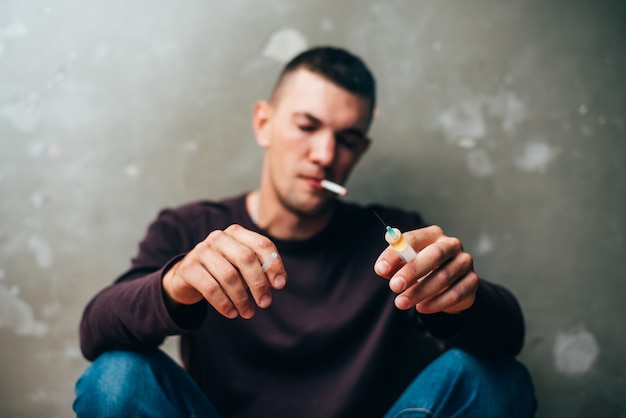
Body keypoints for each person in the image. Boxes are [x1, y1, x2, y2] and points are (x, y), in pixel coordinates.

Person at [73, 46, 536, 418]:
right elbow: (96, 330)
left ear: (361, 150)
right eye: (306, 126)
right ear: (264, 123)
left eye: (347, 139)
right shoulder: (189, 229)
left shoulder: (400, 242)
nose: (324, 153)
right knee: (117, 376)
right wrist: (176, 282)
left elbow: (507, 339)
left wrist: (461, 301)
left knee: (494, 380)